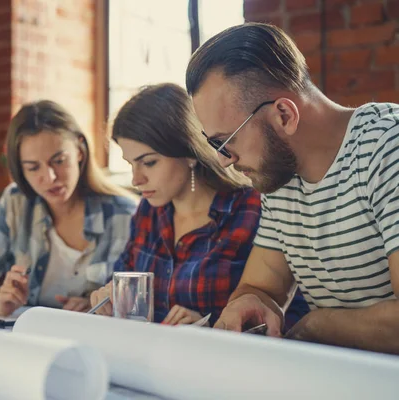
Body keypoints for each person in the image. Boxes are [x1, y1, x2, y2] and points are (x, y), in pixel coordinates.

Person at [186, 22, 399, 354]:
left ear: (284, 114)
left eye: (225, 141)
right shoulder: (279, 176)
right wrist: (247, 304)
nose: (225, 161)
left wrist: (315, 325)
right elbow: (261, 287)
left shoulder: (388, 146)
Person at [89, 83, 310, 327]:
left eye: (149, 163)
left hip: (226, 360)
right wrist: (110, 297)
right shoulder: (148, 211)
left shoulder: (250, 209)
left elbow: (292, 314)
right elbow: (125, 282)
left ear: (189, 154)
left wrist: (211, 326)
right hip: (151, 357)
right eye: (131, 164)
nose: (136, 179)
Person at [0, 100, 138, 316]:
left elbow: (139, 302)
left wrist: (99, 307)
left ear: (80, 150)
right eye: (33, 168)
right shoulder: (16, 203)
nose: (50, 177)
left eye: (59, 161)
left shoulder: (125, 216)